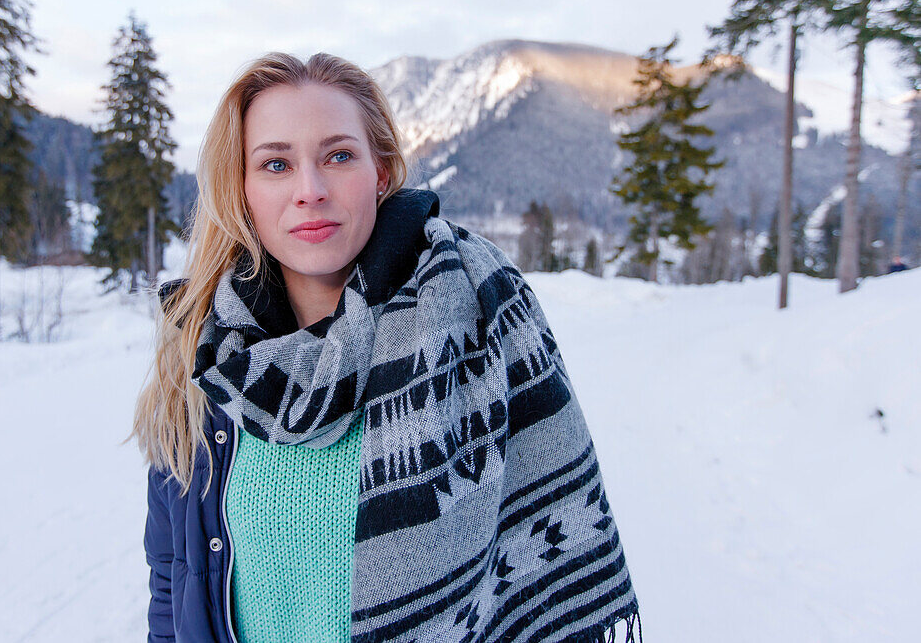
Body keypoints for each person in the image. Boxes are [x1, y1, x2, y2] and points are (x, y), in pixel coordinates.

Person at [128, 52, 641, 643]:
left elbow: (554, 572)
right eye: (275, 164)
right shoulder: (206, 353)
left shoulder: (477, 313)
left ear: (381, 170)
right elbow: (174, 577)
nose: (310, 191)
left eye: (338, 156)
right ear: (240, 189)